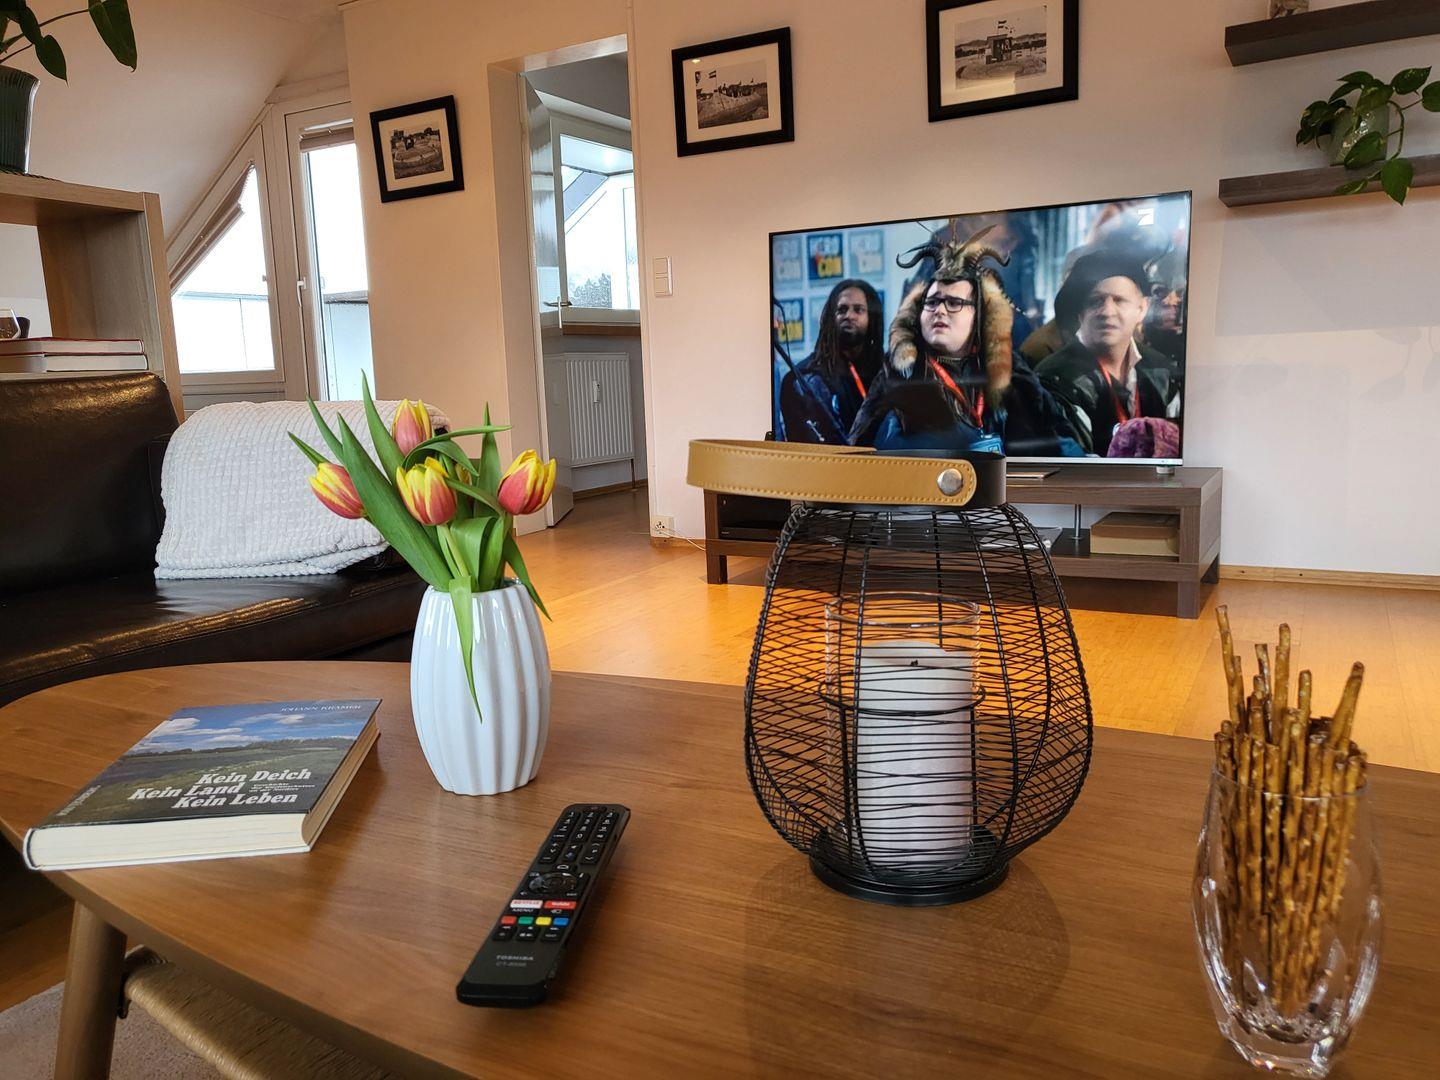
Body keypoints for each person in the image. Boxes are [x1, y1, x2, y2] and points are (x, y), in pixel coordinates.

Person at [849, 228, 1082, 457]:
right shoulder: (899, 373)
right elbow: (860, 451)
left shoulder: (1010, 370)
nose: (940, 310)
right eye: (932, 302)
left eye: (953, 303)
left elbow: (1059, 440)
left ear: (978, 316)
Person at [1035, 252, 1180, 457]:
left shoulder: (1162, 371)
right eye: (1095, 301)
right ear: (1080, 312)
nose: (1107, 312)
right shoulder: (1053, 380)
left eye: (1119, 300)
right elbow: (1071, 465)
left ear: (1142, 308)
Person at [778, 279, 885, 443]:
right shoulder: (803, 380)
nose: (849, 316)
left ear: (872, 319)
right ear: (830, 317)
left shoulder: (886, 371)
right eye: (842, 310)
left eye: (858, 310)